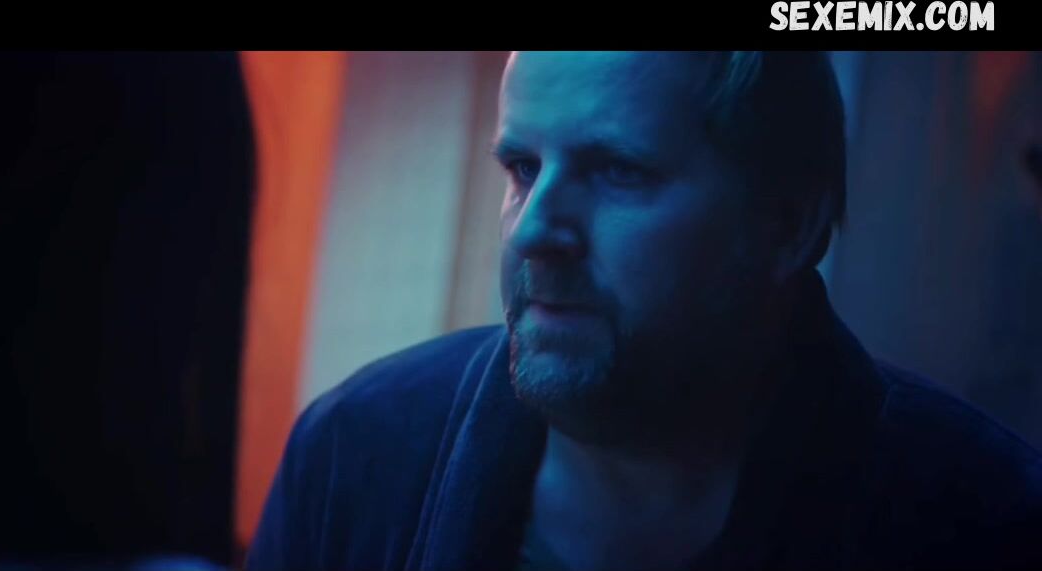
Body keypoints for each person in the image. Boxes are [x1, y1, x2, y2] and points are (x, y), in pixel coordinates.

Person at [244, 52, 1042, 571]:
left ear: (787, 224)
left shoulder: (980, 521)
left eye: (617, 171)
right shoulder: (354, 455)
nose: (533, 230)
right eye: (521, 168)